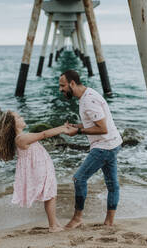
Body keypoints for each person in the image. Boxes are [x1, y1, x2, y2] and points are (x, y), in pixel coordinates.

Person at [58, 70, 123, 228]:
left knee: (79, 179)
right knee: (112, 185)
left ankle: (77, 218)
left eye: (62, 85)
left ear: (72, 83)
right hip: (114, 143)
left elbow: (102, 128)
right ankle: (109, 222)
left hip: (104, 145)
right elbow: (95, 123)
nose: (60, 89)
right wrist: (76, 126)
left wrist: (78, 131)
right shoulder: (87, 94)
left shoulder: (88, 101)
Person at [0, 110, 69, 232]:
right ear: (13, 124)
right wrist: (63, 128)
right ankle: (53, 226)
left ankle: (55, 222)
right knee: (50, 195)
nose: (22, 117)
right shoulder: (21, 138)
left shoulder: (22, 137)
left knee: (50, 194)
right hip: (39, 169)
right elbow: (43, 134)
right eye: (19, 117)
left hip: (41, 167)